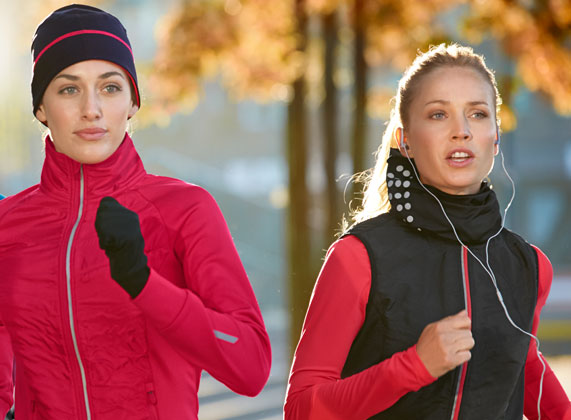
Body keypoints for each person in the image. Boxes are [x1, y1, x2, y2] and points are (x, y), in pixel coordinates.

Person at [0, 5, 271, 419]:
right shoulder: (8, 227)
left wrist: (144, 283)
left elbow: (250, 366)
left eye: (109, 88)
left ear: (132, 104)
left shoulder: (186, 210)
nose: (91, 109)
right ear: (40, 108)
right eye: (68, 89)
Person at [284, 44, 571, 420]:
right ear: (405, 141)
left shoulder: (529, 265)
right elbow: (301, 409)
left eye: (478, 114)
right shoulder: (359, 258)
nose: (462, 132)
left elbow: (528, 373)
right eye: (438, 114)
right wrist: (413, 366)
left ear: (496, 137)